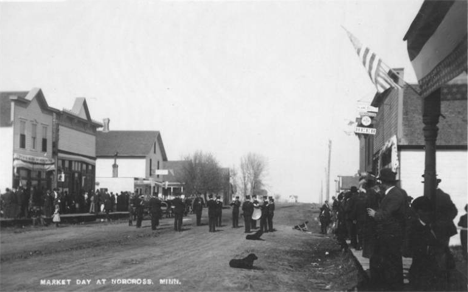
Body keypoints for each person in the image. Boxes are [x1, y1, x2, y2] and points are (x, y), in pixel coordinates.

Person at [367, 168, 407, 291]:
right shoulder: (394, 193)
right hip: (389, 234)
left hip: (391, 234)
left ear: (384, 182)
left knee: (392, 263)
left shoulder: (395, 195)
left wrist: (375, 214)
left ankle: (393, 287)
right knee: (389, 263)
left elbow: (387, 213)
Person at [408, 196, 448, 291]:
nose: (430, 214)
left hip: (429, 270)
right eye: (427, 211)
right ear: (419, 212)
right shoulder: (416, 228)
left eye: (430, 211)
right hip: (421, 271)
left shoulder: (428, 226)